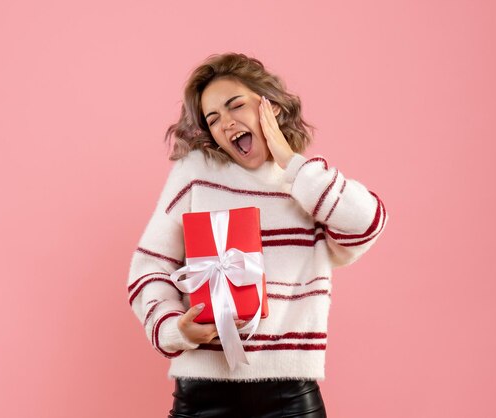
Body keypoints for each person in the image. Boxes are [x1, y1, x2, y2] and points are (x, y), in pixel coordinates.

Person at [126, 52, 387, 418]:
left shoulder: (309, 183)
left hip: (290, 397)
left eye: (235, 106)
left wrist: (289, 159)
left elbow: (368, 222)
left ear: (271, 106)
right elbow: (149, 268)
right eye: (213, 119)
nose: (226, 123)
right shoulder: (196, 173)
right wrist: (175, 327)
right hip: (203, 395)